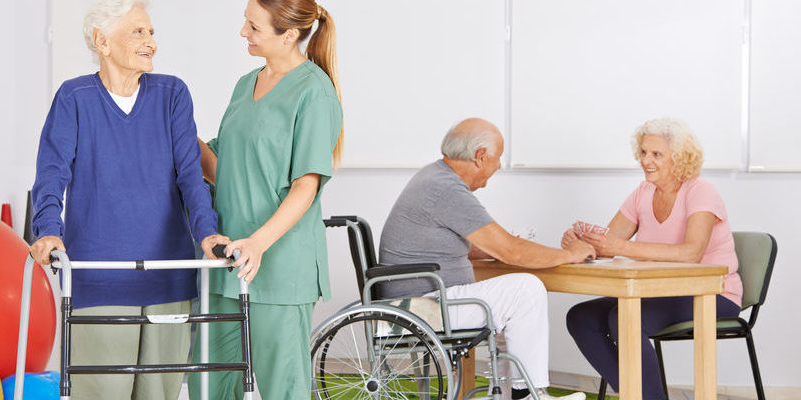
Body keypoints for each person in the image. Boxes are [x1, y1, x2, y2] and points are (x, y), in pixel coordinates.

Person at [29, 1, 229, 398]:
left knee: (161, 394)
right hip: (100, 281)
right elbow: (51, 174)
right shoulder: (74, 98)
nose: (150, 42)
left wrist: (208, 233)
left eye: (151, 32)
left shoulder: (172, 94)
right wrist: (48, 231)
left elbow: (191, 176)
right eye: (138, 32)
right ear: (101, 41)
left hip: (169, 278)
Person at [188, 0, 343, 398]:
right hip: (227, 259)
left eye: (253, 27)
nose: (243, 32)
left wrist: (258, 242)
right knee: (210, 385)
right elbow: (224, 170)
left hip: (279, 267)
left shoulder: (314, 92)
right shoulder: (245, 85)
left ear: (288, 34)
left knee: (282, 390)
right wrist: (175, 127)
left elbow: (305, 186)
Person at [379, 118, 593, 400]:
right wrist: (570, 254)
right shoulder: (446, 188)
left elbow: (472, 245)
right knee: (526, 290)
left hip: (418, 300)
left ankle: (511, 393)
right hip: (423, 307)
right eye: (498, 157)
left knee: (509, 304)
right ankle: (526, 394)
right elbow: (511, 251)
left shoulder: (434, 177)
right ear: (481, 156)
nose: (499, 165)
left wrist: (504, 245)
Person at [561, 118, 741, 400]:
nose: (646, 160)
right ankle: (644, 394)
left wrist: (620, 246)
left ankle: (645, 396)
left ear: (680, 157)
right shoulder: (642, 192)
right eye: (643, 152)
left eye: (656, 154)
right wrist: (581, 243)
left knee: (623, 317)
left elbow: (691, 253)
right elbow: (609, 244)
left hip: (712, 293)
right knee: (581, 317)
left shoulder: (701, 191)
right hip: (657, 291)